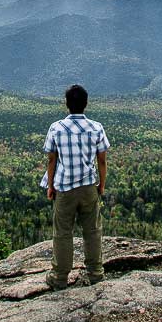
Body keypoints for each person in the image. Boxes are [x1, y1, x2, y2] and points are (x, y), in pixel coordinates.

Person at [39, 83, 109, 289]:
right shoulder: (96, 127)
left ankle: (59, 277)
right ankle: (96, 274)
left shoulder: (56, 127)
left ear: (66, 104)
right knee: (93, 230)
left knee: (62, 232)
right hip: (88, 186)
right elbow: (102, 161)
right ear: (86, 104)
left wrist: (50, 186)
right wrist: (101, 185)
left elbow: (52, 160)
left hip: (65, 187)